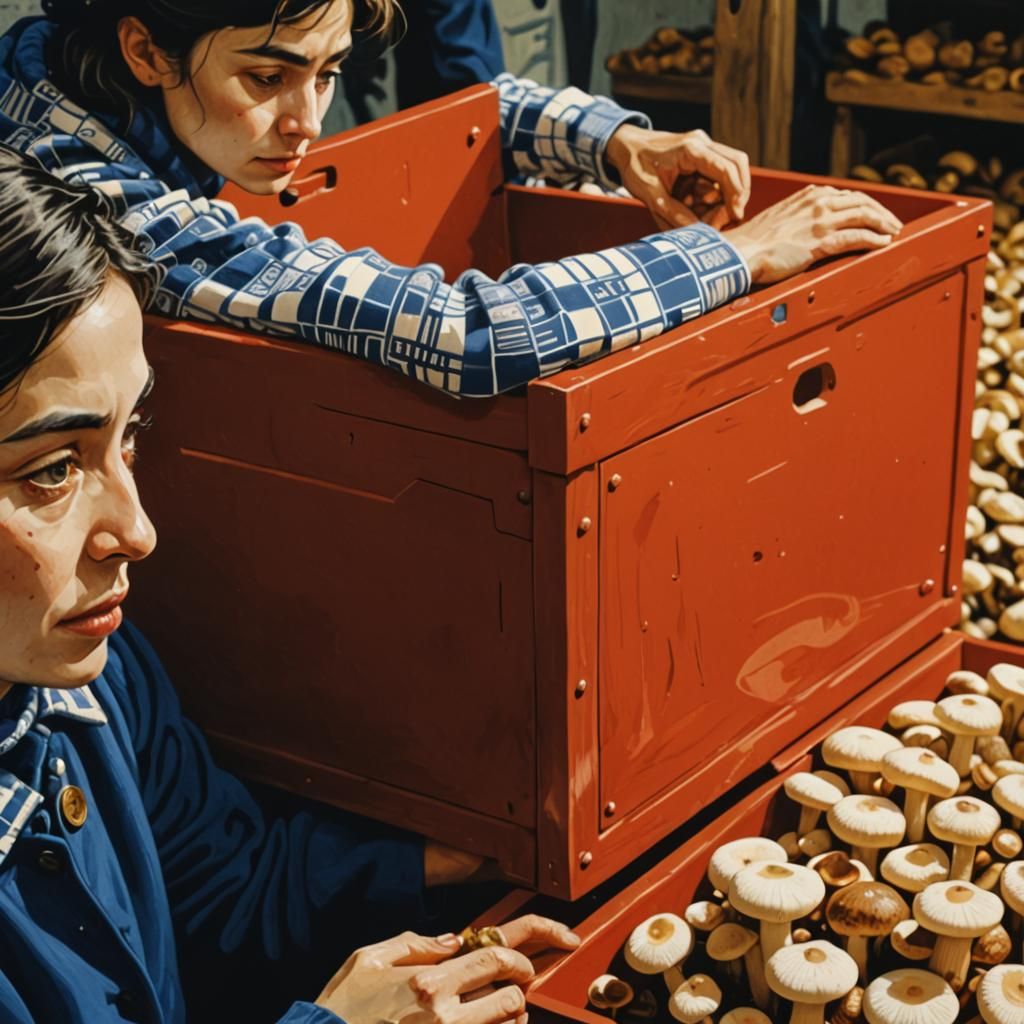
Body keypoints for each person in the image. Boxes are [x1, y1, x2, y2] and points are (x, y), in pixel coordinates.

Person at [0, 143, 579, 1022]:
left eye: (130, 436)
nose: (138, 533)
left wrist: (449, 864)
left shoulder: (96, 680)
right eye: (51, 470)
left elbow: (222, 883)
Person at [0, 0, 902, 398]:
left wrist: (618, 140)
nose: (305, 119)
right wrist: (735, 255)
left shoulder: (62, 70)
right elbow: (470, 335)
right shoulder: (107, 202)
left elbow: (462, 115)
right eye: (268, 76)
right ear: (146, 51)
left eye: (331, 74)